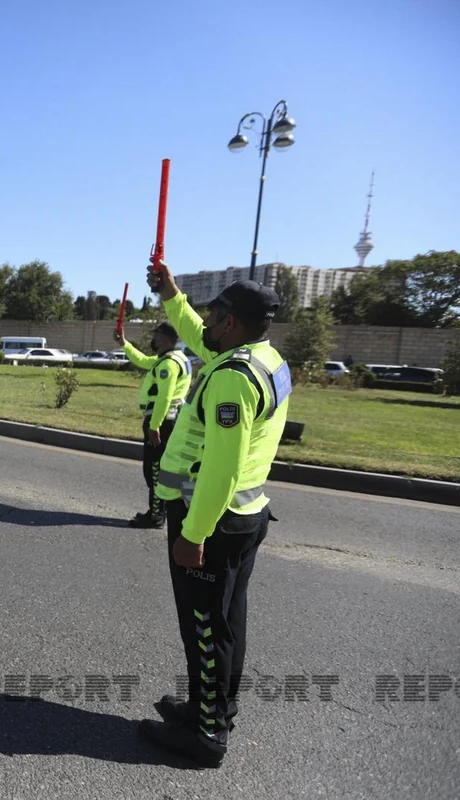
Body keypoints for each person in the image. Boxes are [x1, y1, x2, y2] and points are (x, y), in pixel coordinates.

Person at [139, 260, 291, 767]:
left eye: (213, 314)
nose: (204, 322)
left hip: (214, 522)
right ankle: (214, 711)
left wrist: (193, 532)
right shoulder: (263, 358)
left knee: (204, 627)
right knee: (227, 624)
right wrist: (171, 294)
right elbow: (193, 332)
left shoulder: (231, 380)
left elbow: (220, 469)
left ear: (229, 323)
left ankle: (205, 736)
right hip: (247, 517)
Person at [114, 322, 191, 528]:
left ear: (165, 339)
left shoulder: (168, 365)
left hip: (162, 421)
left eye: (156, 336)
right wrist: (124, 343)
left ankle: (156, 516)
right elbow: (143, 360)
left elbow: (164, 398)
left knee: (155, 469)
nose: (153, 340)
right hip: (170, 419)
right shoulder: (177, 358)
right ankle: (158, 512)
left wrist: (154, 426)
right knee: (161, 467)